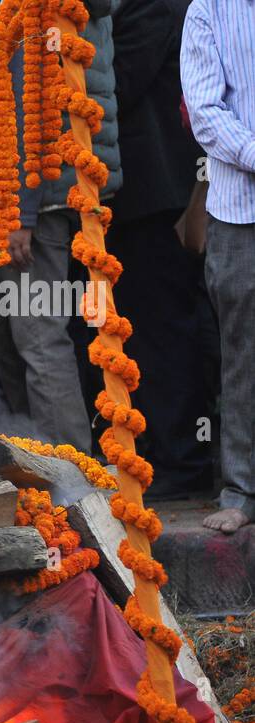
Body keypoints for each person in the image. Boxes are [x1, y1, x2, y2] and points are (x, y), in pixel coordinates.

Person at [0, 0, 121, 453]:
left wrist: (21, 211)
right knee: (3, 324)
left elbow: (29, 101)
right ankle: (30, 452)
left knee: (38, 334)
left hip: (42, 189)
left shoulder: (37, 5)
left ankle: (71, 475)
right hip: (75, 177)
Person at [108, 0, 219, 501]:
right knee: (153, 332)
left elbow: (120, 83)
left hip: (157, 193)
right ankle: (166, 453)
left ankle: (184, 461)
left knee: (163, 333)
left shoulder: (153, 6)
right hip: (147, 192)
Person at [181, 0, 255, 534]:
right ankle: (242, 491)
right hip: (240, 211)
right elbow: (204, 112)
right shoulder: (208, 8)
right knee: (243, 355)